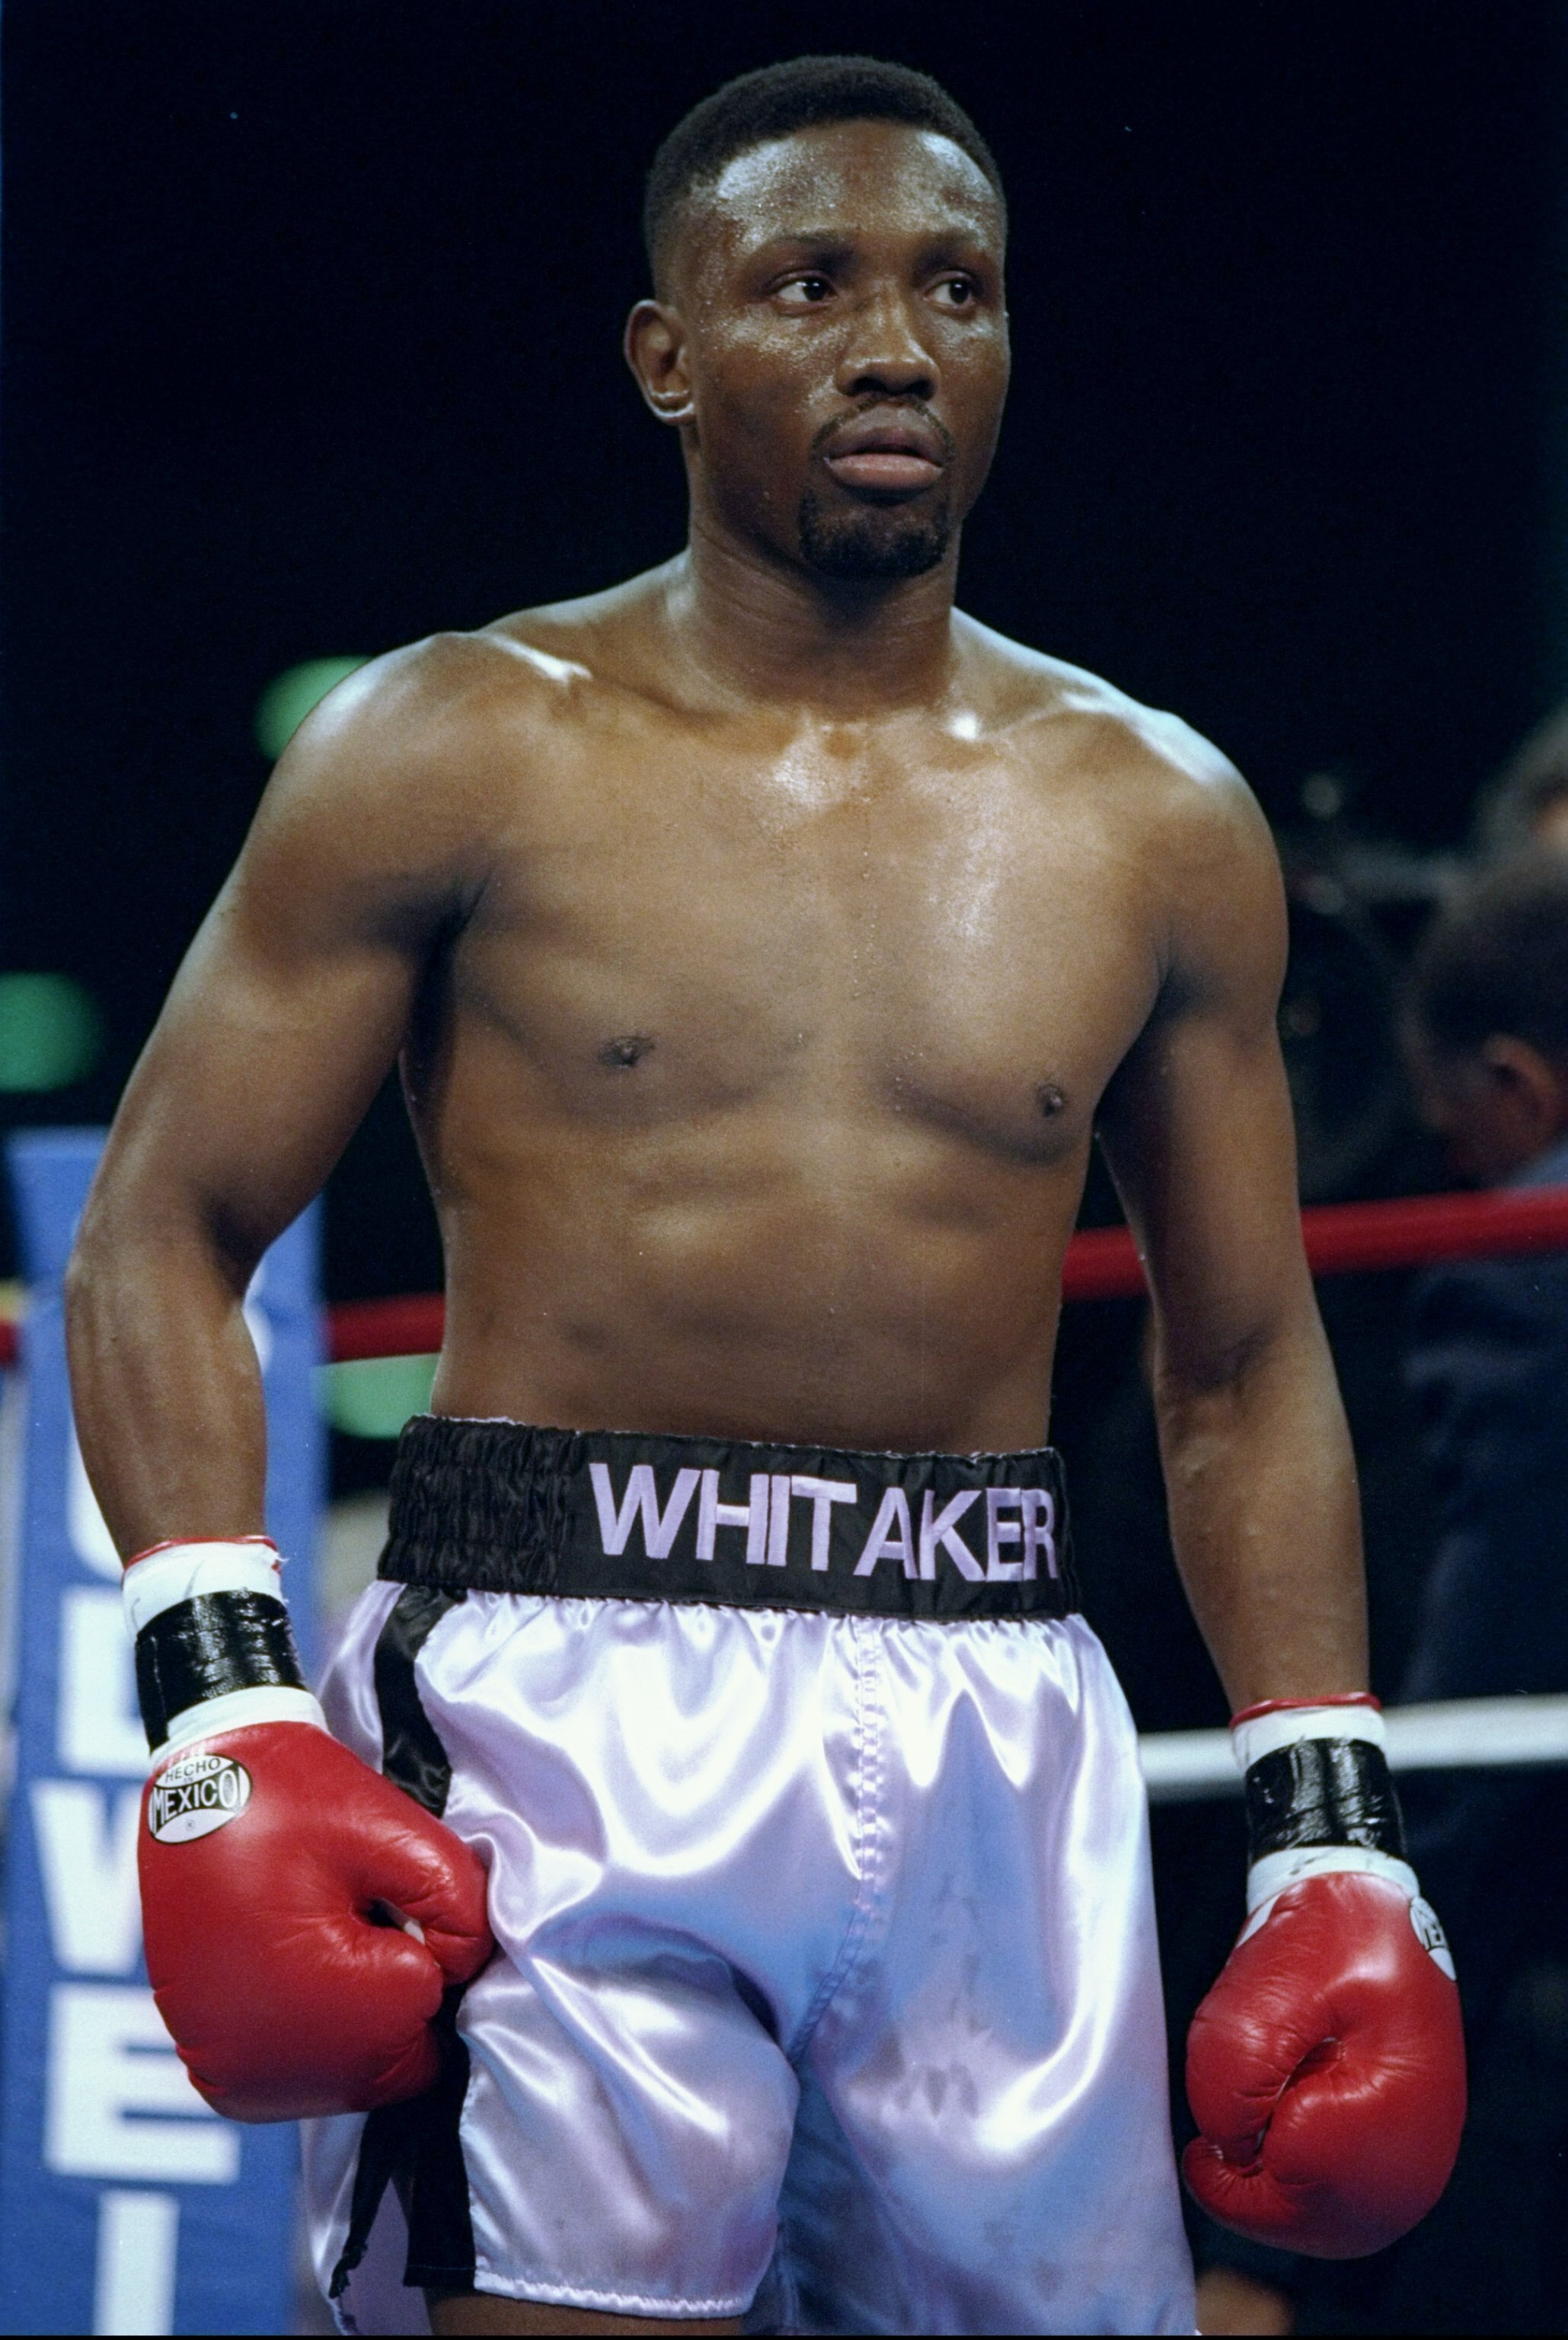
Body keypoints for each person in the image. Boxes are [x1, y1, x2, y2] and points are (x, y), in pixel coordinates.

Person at [65, 56, 1464, 2338]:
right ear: (666, 354)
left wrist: (1334, 1834)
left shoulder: (1155, 818)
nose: (895, 344)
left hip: (999, 1706)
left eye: (955, 289)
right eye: (810, 284)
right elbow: (165, 1228)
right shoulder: (455, 742)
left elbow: (1239, 1359)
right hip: (561, 1689)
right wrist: (224, 1715)